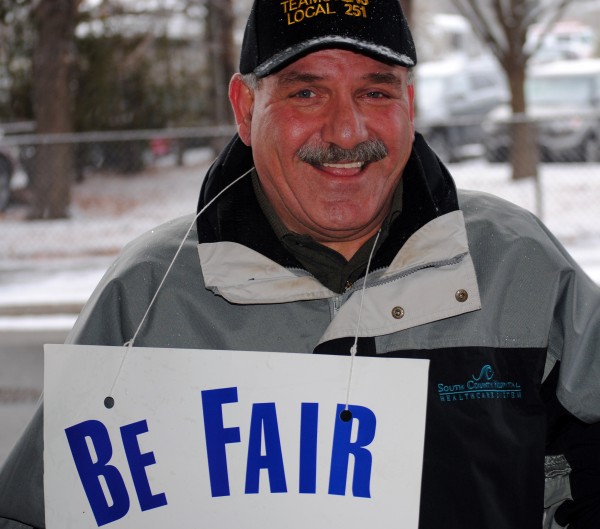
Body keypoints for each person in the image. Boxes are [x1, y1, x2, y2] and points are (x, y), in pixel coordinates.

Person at [1, 0, 599, 527]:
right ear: (244, 106)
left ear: (409, 105)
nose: (346, 130)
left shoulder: (520, 266)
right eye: (306, 92)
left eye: (375, 91)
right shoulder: (149, 296)